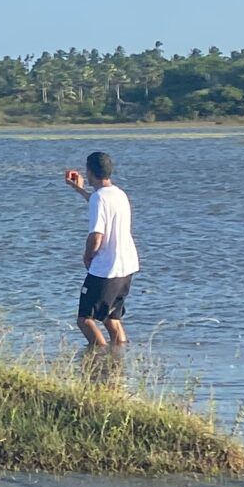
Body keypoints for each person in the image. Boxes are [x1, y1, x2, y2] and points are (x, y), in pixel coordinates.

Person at [63, 149, 139, 356]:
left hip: (107, 267)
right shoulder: (118, 193)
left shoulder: (99, 198)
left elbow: (97, 236)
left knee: (85, 320)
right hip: (127, 265)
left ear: (89, 172)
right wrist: (79, 190)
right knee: (111, 318)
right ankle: (120, 358)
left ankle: (101, 358)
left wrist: (87, 256)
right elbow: (101, 204)